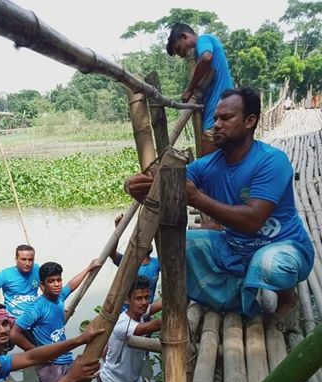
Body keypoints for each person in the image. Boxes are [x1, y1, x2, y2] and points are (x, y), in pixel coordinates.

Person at [126, 87, 315, 319]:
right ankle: (240, 294)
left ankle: (288, 298)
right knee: (180, 245)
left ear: (250, 121)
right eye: (215, 118)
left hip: (283, 246)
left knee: (267, 264)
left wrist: (196, 198)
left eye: (226, 118)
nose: (216, 124)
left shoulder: (272, 161)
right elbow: (168, 186)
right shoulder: (207, 166)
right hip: (235, 247)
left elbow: (253, 221)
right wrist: (139, 188)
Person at [11, 258, 101, 382]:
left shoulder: (59, 298)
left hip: (66, 360)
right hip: (50, 366)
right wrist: (36, 353)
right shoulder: (36, 308)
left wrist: (89, 268)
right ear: (43, 285)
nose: (56, 284)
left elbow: (71, 285)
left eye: (58, 280)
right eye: (51, 281)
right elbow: (14, 334)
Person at [92, 276, 162, 382]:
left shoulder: (142, 313)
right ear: (126, 300)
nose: (144, 302)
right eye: (138, 298)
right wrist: (175, 315)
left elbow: (156, 306)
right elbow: (149, 327)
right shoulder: (122, 325)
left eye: (146, 297)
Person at [166, 22, 234, 157]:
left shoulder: (204, 39)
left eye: (179, 49)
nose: (181, 55)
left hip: (218, 111)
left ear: (185, 36)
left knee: (205, 163)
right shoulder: (200, 52)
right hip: (224, 107)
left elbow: (207, 57)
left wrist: (190, 89)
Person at [109, 214, 160, 304]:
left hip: (146, 307)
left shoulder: (156, 263)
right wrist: (118, 229)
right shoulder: (128, 262)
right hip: (128, 308)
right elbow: (112, 253)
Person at [0, 244, 40, 318]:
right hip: (14, 320)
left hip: (35, 318)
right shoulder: (6, 274)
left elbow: (46, 289)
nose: (27, 264)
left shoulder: (37, 269)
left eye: (30, 260)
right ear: (16, 259)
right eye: (23, 259)